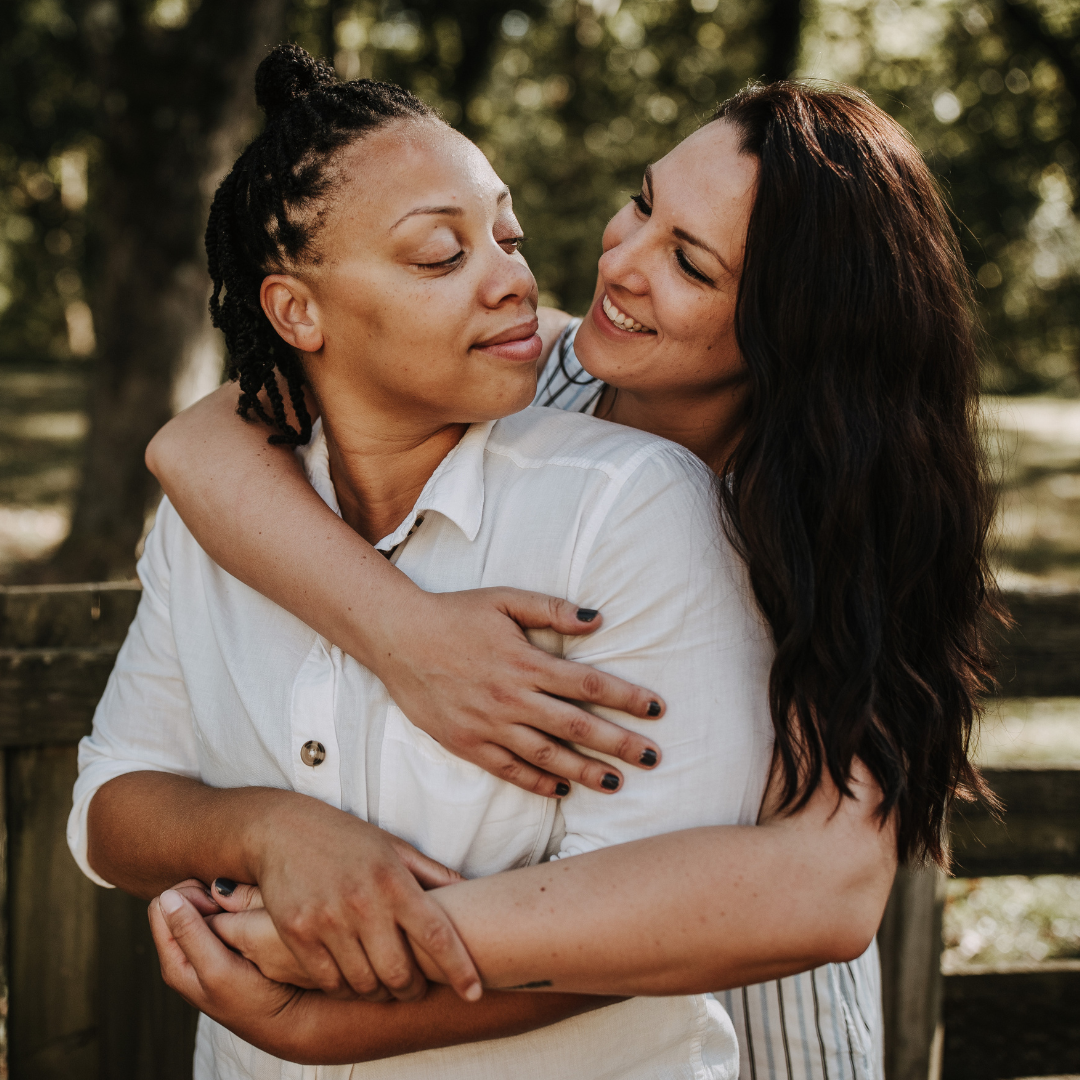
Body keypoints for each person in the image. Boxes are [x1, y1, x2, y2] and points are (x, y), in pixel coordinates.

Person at [142, 70, 999, 1080]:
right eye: (642, 201)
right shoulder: (539, 373)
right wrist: (404, 635)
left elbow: (823, 888)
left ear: (795, 330)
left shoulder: (845, 520)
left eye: (689, 261)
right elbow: (201, 442)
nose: (622, 260)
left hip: (748, 1024)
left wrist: (363, 969)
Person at [68, 44, 794, 1079]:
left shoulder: (631, 505)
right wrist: (267, 833)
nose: (518, 279)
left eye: (507, 235)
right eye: (440, 255)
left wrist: (312, 1016)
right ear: (296, 311)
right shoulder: (225, 513)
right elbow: (109, 806)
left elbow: (640, 921)